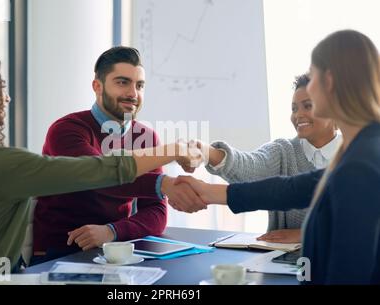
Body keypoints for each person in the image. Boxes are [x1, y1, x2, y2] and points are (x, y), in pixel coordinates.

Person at [0, 49, 203, 284]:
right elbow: (96, 171)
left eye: (140, 85)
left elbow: (150, 206)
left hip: (4, 274)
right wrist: (171, 157)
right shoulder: (5, 161)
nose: (6, 97)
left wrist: (113, 230)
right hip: (29, 265)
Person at [173, 30, 380, 284]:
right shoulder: (362, 150)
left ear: (329, 81)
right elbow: (294, 188)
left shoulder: (361, 163)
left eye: (312, 77)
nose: (309, 89)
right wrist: (208, 191)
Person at [32, 47, 203, 264]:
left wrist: (112, 232)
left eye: (139, 85)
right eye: (122, 82)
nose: (133, 94)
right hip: (60, 252)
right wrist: (163, 182)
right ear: (97, 86)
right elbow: (99, 175)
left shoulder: (146, 136)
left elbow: (157, 213)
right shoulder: (67, 130)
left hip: (114, 251)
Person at [182, 74, 340, 243]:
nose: (298, 115)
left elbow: (361, 224)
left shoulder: (355, 158)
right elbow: (249, 166)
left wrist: (304, 234)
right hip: (284, 262)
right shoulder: (283, 151)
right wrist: (207, 152)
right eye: (294, 109)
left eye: (308, 106)